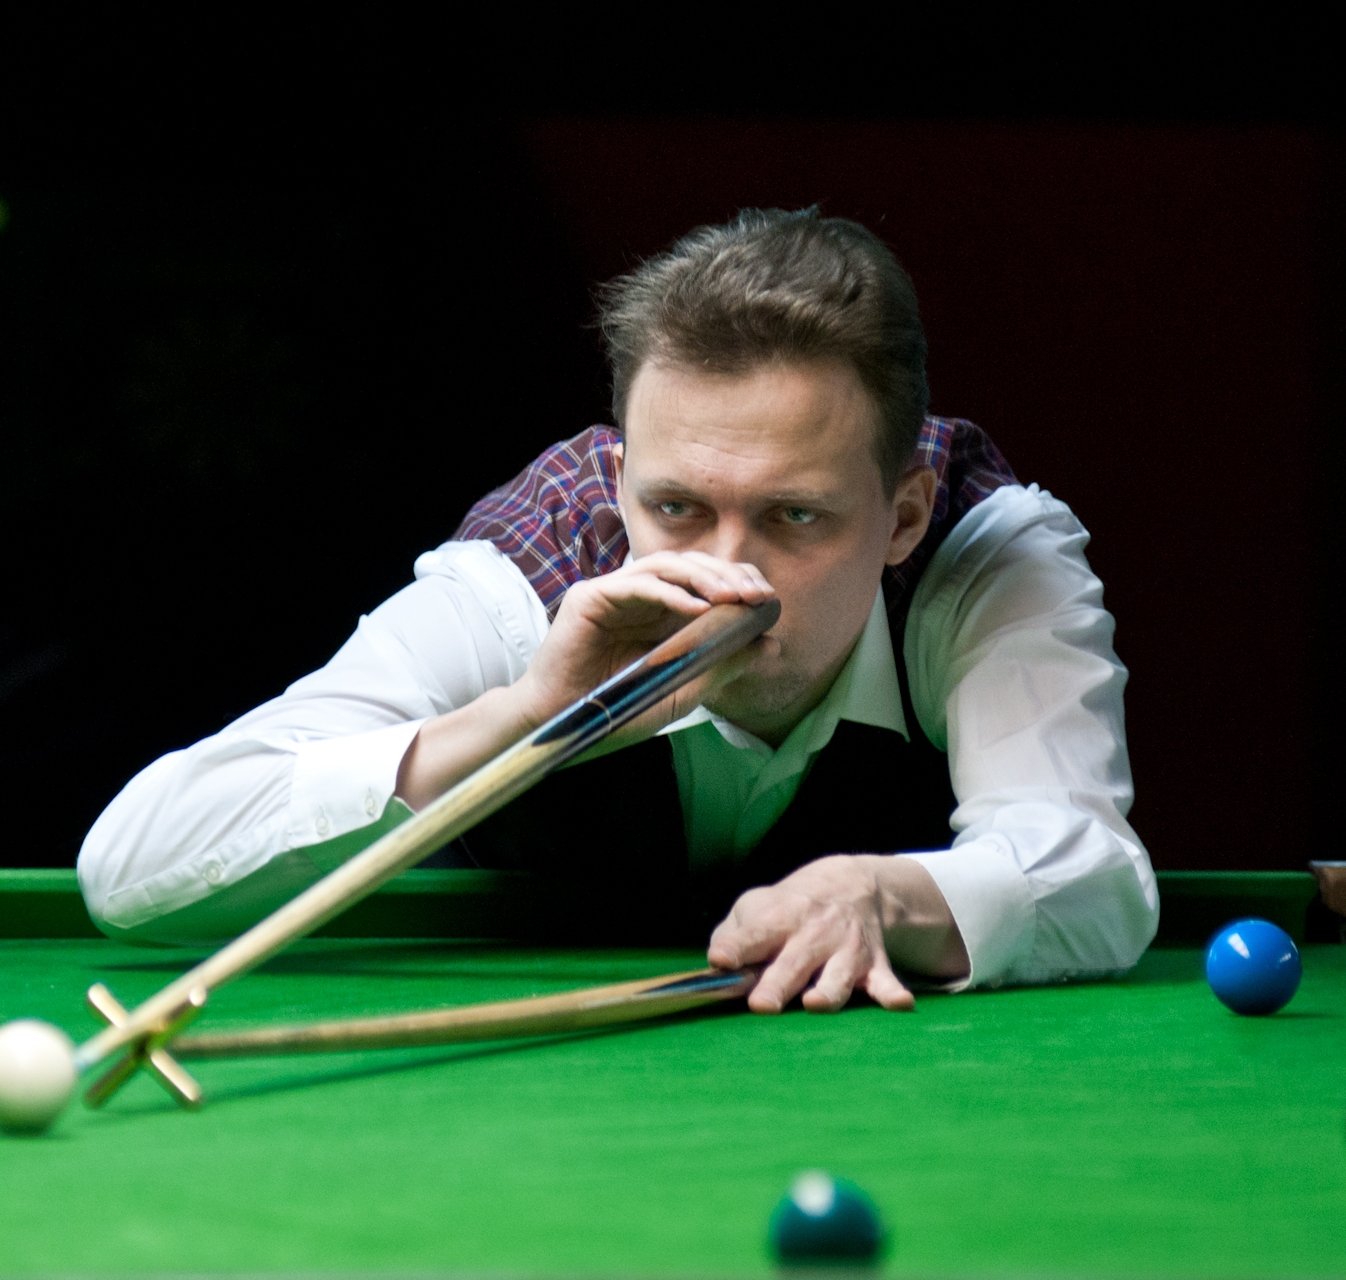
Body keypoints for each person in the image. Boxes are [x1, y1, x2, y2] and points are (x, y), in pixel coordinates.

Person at [78, 208, 1157, 1012]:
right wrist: (526, 715)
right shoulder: (527, 577)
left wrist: (884, 894)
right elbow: (131, 868)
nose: (730, 574)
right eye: (675, 508)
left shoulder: (981, 556)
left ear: (902, 516)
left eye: (794, 516)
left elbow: (1090, 871)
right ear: (621, 481)